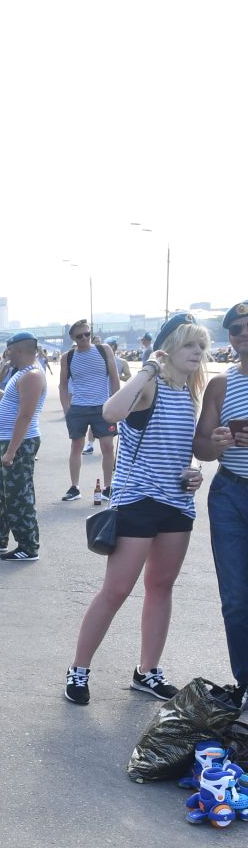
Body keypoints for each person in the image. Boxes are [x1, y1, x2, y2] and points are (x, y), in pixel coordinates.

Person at [64, 315, 209, 705]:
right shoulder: (150, 385)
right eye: (188, 344)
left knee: (160, 587)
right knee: (116, 589)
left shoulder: (189, 393)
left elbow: (184, 450)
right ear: (168, 349)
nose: (197, 352)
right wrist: (148, 367)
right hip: (138, 500)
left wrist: (194, 472)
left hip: (177, 503)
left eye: (201, 345)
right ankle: (78, 669)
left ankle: (148, 671)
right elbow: (110, 414)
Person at [194, 301, 248, 709]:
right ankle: (246, 682)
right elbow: (201, 446)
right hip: (229, 494)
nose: (243, 333)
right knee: (235, 598)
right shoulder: (221, 385)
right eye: (235, 329)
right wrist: (215, 443)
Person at [0, 332, 48, 562]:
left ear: (21, 350)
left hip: (21, 441)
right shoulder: (22, 374)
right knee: (5, 493)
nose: (7, 355)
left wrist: (12, 450)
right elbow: (8, 401)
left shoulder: (32, 375)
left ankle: (28, 546)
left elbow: (25, 415)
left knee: (19, 495)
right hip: (11, 439)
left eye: (9, 350)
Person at [59, 321, 120, 502]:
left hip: (103, 406)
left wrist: (116, 403)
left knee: (108, 447)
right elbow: (62, 385)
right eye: (80, 336)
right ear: (73, 338)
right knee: (76, 446)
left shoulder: (104, 350)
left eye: (87, 334)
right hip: (78, 407)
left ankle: (108, 488)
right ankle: (74, 487)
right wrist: (66, 409)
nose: (85, 338)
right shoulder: (67, 357)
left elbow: (114, 378)